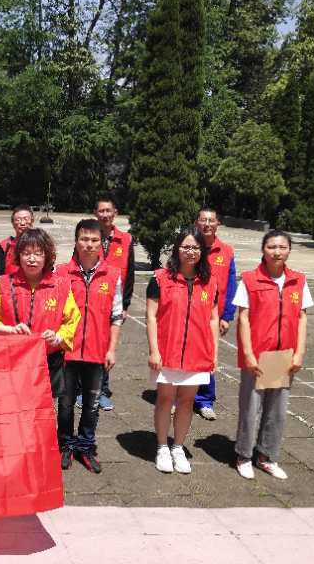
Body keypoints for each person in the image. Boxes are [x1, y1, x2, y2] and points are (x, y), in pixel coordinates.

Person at [233, 230, 312, 481]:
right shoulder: (249, 279)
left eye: (282, 247)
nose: (277, 252)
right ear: (263, 250)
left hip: (284, 356)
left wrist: (299, 353)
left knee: (277, 410)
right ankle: (244, 455)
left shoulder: (298, 280)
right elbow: (243, 318)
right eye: (271, 247)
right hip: (258, 356)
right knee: (250, 409)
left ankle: (266, 456)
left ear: (289, 250)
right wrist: (248, 353)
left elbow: (302, 318)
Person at [146, 229, 218, 474]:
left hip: (198, 353)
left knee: (187, 402)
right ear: (177, 249)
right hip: (167, 352)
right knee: (165, 399)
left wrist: (214, 353)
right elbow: (151, 316)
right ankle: (161, 447)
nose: (191, 252)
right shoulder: (160, 278)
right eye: (186, 247)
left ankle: (178, 447)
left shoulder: (210, 282)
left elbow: (213, 319)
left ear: (202, 251)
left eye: (196, 247)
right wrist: (154, 351)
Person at [0, 228, 81, 402]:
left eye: (38, 253)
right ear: (18, 256)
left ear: (47, 256)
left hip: (47, 362)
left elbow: (72, 320)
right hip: (11, 361)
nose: (32, 259)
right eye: (26, 253)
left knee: (42, 410)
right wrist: (10, 330)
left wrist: (57, 337)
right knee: (12, 406)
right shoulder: (3, 284)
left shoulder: (61, 286)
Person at [55, 219, 123, 473]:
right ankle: (65, 445)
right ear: (76, 241)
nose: (89, 244)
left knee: (92, 406)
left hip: (97, 352)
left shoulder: (112, 275)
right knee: (65, 404)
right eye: (84, 239)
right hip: (67, 352)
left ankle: (85, 447)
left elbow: (116, 316)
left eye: (95, 240)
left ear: (101, 243)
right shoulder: (61, 273)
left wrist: (111, 349)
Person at [85, 198, 135, 411]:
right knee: (85, 343)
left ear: (115, 212)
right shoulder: (88, 236)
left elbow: (130, 275)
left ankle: (102, 390)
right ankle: (82, 390)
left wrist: (125, 305)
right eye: (101, 211)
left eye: (108, 210)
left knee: (106, 348)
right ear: (95, 213)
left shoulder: (125, 240)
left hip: (112, 303)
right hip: (89, 300)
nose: (105, 214)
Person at [194, 207, 237, 421]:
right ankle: (178, 397)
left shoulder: (226, 251)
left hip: (213, 317)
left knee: (208, 357)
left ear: (218, 223)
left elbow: (231, 286)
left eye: (211, 220)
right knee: (181, 355)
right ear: (197, 223)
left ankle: (204, 400)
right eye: (203, 220)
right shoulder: (190, 246)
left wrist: (227, 316)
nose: (207, 224)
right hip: (189, 314)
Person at [0, 205, 34, 277]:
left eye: (26, 219)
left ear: (32, 221)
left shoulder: (42, 244)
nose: (22, 223)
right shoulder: (3, 247)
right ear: (12, 223)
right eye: (18, 220)